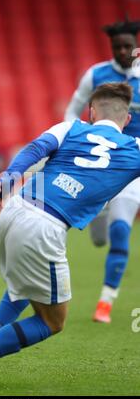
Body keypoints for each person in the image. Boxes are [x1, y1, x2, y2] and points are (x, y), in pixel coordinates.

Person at [0, 83, 140, 386]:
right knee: (53, 321)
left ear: (91, 112)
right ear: (127, 120)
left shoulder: (71, 127)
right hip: (44, 226)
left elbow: (34, 151)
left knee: (25, 286)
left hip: (15, 211)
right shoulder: (134, 148)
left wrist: (1, 189)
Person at [64, 18, 140, 323]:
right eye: (117, 46)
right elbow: (72, 111)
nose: (123, 50)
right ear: (112, 47)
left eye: (128, 46)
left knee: (121, 230)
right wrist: (80, 134)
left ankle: (105, 303)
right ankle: (100, 214)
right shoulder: (96, 74)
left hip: (131, 165)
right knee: (98, 237)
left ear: (136, 47)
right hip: (100, 163)